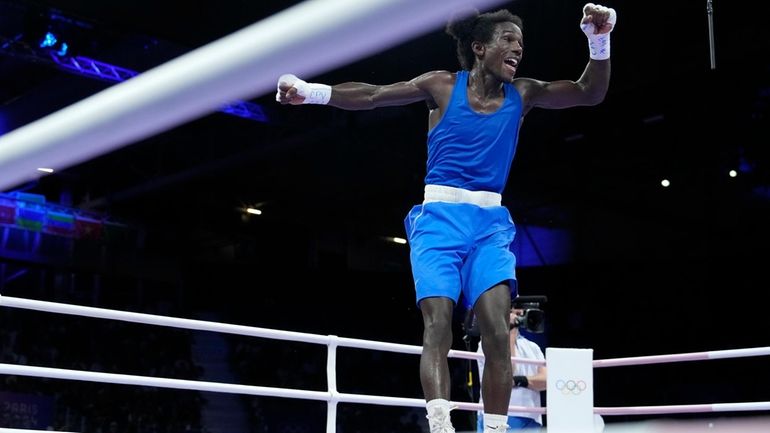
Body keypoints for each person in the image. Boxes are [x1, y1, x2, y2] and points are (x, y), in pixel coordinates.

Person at [276, 4, 617, 433]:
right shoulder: (441, 85)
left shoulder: (524, 93)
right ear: (479, 47)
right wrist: (311, 92)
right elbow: (374, 95)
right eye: (508, 40)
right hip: (438, 221)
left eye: (521, 43)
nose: (518, 49)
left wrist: (598, 40)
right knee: (438, 325)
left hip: (490, 224)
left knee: (497, 331)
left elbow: (590, 92)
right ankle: (440, 423)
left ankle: (494, 429)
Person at [476, 307, 547, 431]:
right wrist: (509, 332)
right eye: (511, 313)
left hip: (532, 416)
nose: (516, 317)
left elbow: (545, 381)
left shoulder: (533, 347)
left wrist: (519, 380)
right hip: (499, 414)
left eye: (519, 313)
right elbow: (507, 370)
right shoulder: (486, 343)